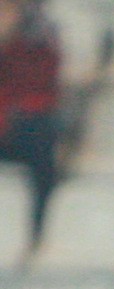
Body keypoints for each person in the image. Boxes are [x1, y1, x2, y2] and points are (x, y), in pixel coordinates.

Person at [0, 0, 59, 234]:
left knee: (39, 132)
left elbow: (41, 89)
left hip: (22, 125)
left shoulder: (38, 37)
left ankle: (37, 227)